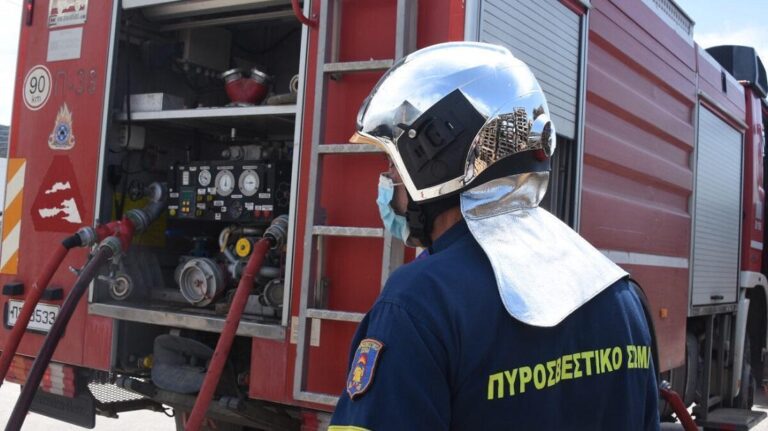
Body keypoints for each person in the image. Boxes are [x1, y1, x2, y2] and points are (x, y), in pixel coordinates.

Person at [329, 42, 660, 430]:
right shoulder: (621, 294)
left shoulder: (418, 302)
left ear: (433, 161)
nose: (387, 178)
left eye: (392, 161)